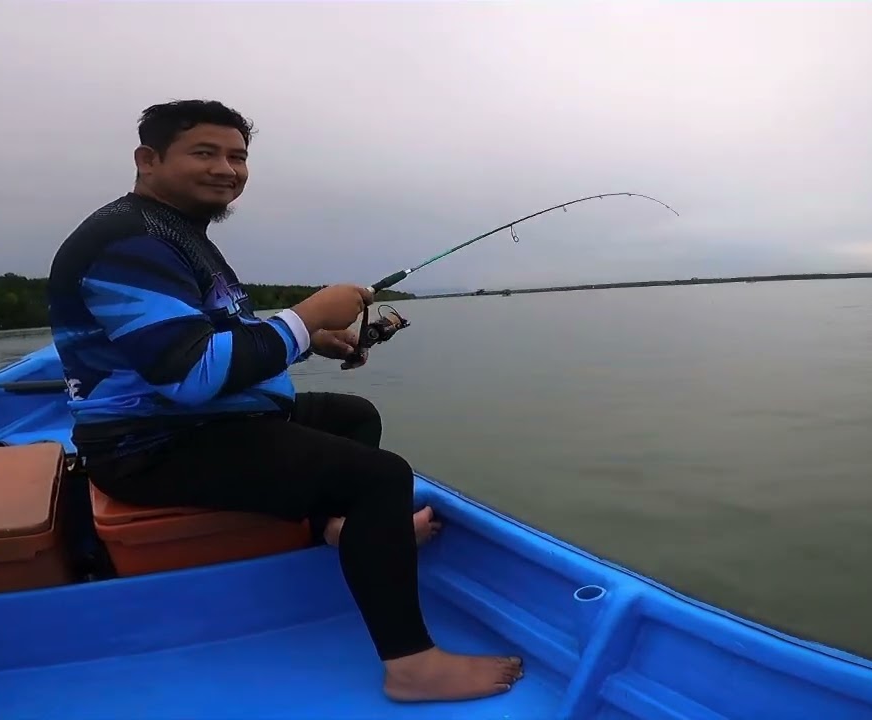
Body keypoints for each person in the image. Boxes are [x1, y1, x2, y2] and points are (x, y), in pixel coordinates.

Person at [45, 99, 523, 702]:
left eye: (238, 156)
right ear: (148, 159)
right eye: (205, 153)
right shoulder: (128, 241)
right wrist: (303, 317)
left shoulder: (174, 233)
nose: (227, 169)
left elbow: (214, 337)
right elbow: (189, 373)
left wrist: (308, 341)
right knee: (382, 476)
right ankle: (412, 665)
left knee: (353, 415)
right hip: (152, 443)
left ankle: (336, 528)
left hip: (196, 419)